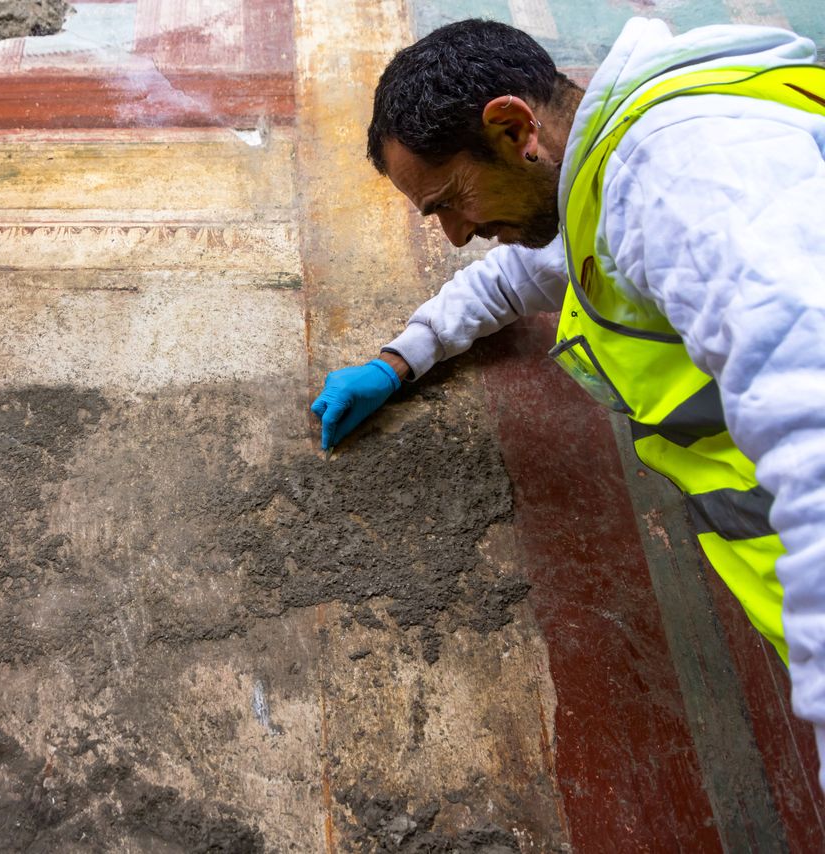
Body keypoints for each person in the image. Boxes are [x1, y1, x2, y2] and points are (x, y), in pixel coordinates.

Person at [311, 18, 825, 783]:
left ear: (514, 126)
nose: (454, 236)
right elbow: (530, 271)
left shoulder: (688, 178)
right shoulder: (613, 169)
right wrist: (400, 359)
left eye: (450, 200)